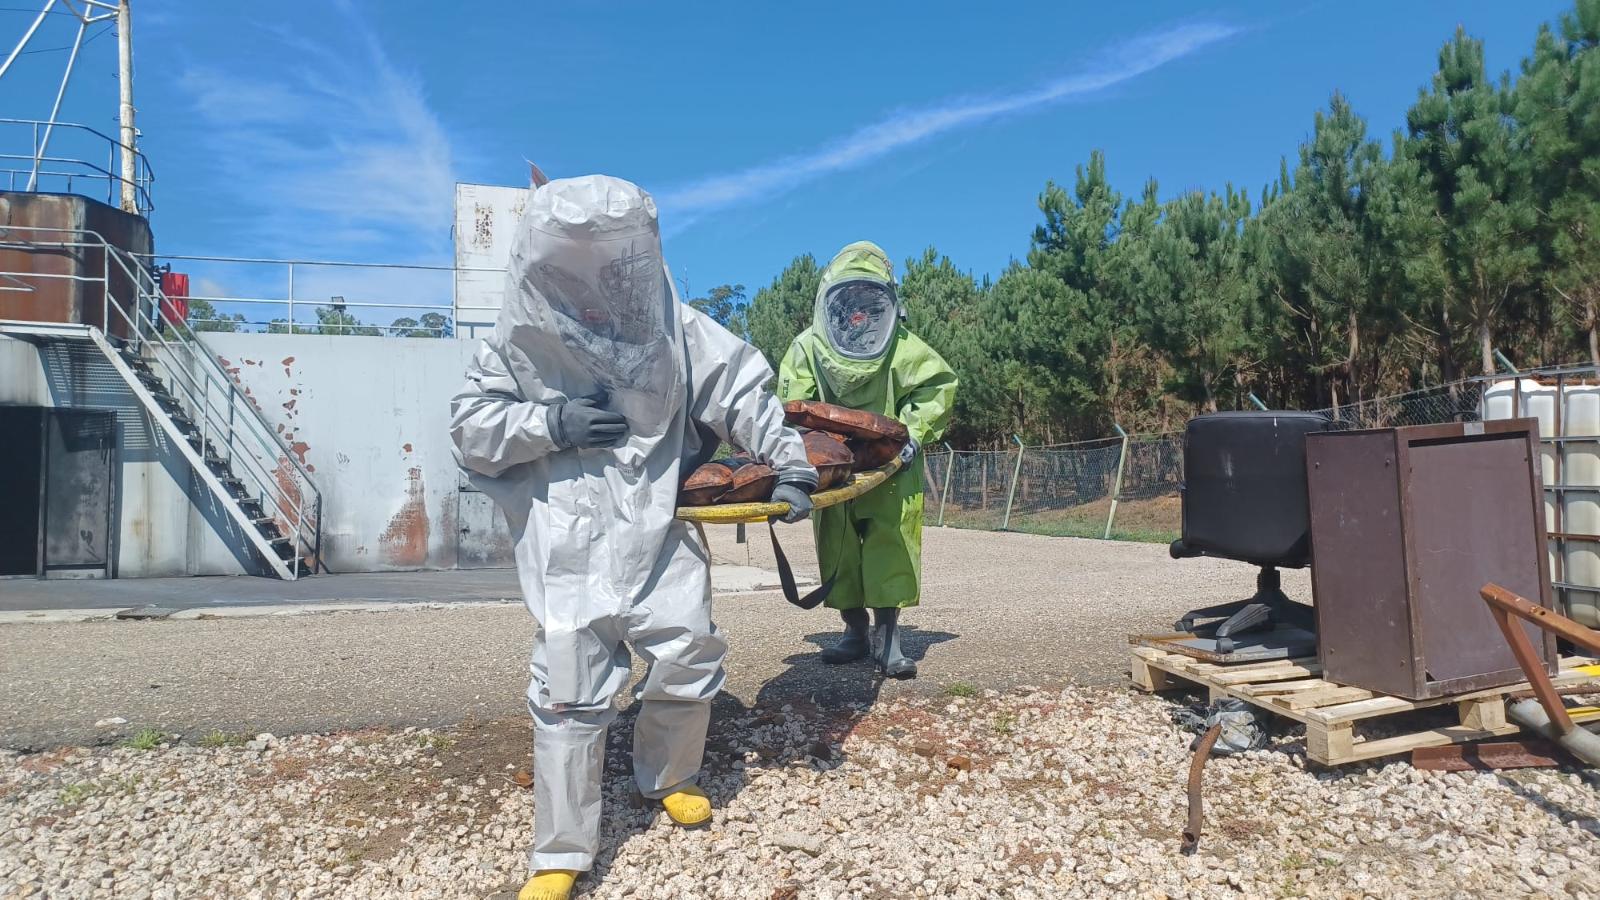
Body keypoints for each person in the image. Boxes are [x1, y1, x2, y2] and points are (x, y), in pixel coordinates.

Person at [450, 175, 817, 900]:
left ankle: (669, 774)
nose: (591, 284)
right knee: (567, 691)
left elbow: (742, 388)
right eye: (572, 266)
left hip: (657, 528)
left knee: (688, 655)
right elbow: (470, 429)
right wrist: (549, 425)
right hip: (568, 540)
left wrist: (791, 464)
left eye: (606, 264)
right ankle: (560, 853)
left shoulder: (675, 328)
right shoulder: (518, 343)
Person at [777, 241, 957, 678]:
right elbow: (793, 404)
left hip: (890, 470)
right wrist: (807, 455)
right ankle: (855, 633)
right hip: (833, 471)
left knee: (889, 546)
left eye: (866, 302)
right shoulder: (806, 350)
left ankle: (888, 638)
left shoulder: (904, 347)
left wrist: (912, 432)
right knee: (839, 551)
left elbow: (937, 389)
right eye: (849, 302)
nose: (858, 313)